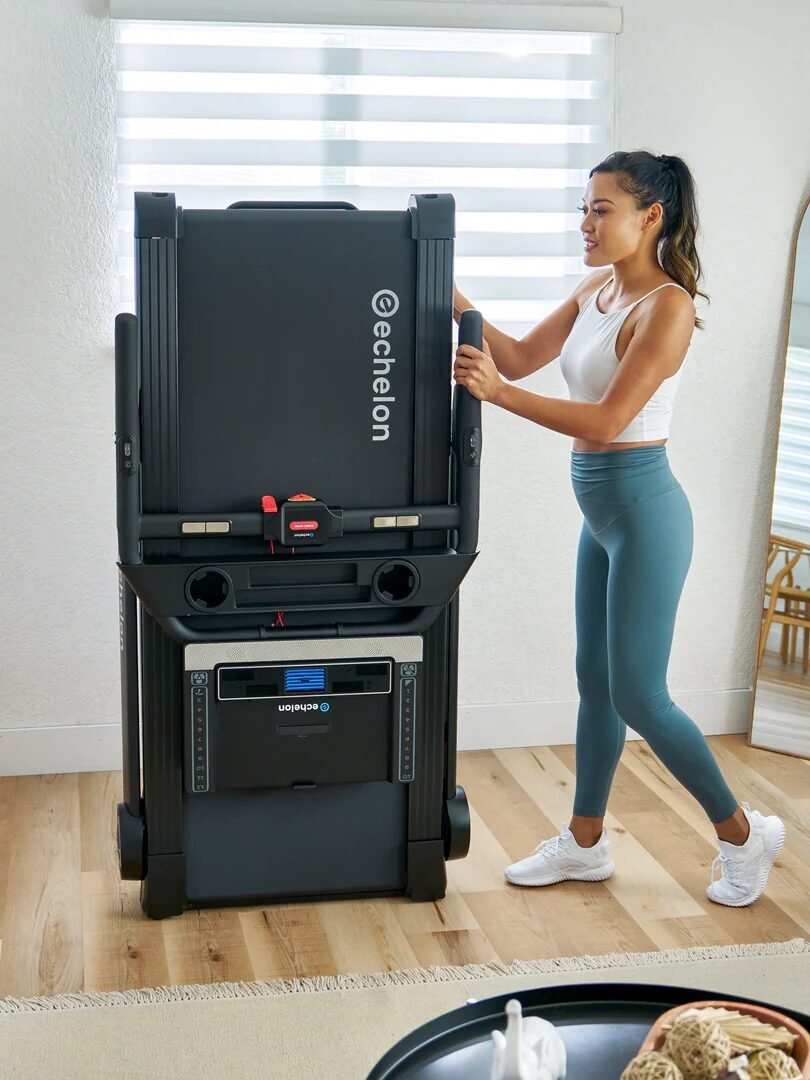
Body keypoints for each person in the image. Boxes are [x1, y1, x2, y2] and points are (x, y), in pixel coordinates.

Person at [452, 149, 785, 908]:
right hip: (600, 517)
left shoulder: (667, 308)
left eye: (602, 209)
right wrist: (448, 287)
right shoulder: (596, 289)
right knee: (594, 684)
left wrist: (498, 397)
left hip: (644, 514)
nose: (587, 223)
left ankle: (743, 836)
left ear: (651, 217)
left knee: (639, 693)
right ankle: (585, 843)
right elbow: (521, 356)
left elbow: (607, 421)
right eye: (585, 208)